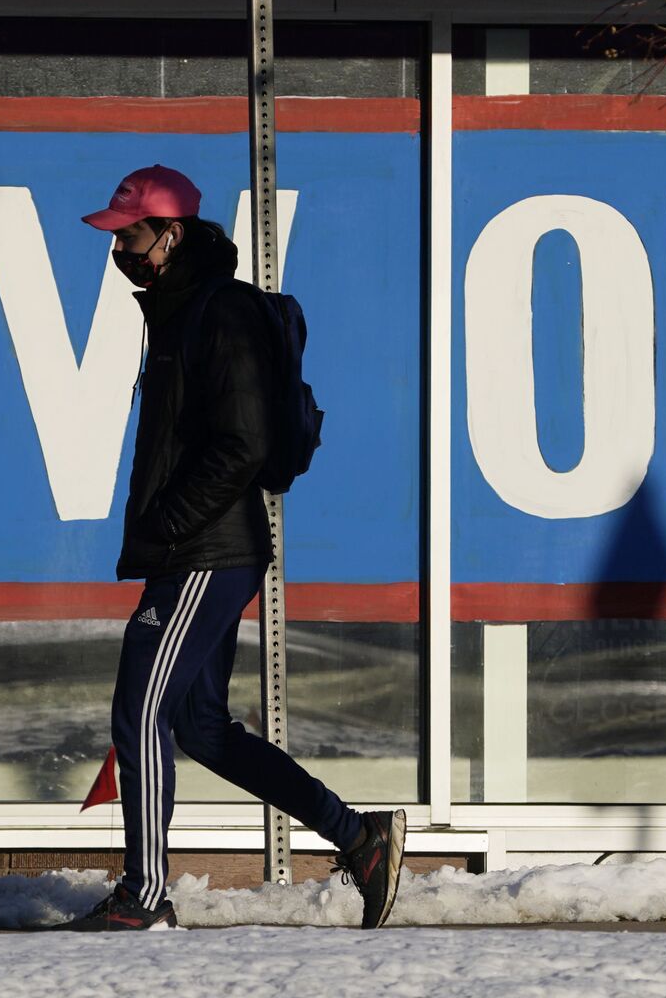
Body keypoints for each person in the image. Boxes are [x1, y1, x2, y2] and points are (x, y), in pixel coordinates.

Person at [55, 164, 405, 932]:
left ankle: (144, 896)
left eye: (130, 237)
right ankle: (358, 835)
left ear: (171, 233)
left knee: (138, 712)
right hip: (201, 545)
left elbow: (243, 444)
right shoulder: (182, 311)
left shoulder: (222, 312)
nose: (118, 253)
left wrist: (170, 524)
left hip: (204, 549)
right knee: (201, 727)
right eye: (114, 240)